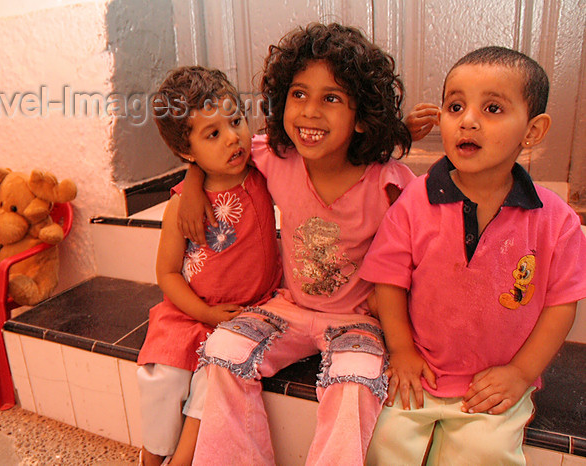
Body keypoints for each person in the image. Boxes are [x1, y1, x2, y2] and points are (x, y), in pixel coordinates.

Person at [178, 23, 416, 464]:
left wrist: (405, 340)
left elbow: (417, 254)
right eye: (299, 94)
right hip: (289, 305)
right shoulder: (278, 158)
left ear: (362, 116)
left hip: (356, 317)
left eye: (331, 98)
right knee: (221, 351)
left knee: (356, 380)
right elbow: (221, 152)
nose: (309, 111)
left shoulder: (388, 184)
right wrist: (193, 181)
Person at [360, 46, 586, 465]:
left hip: (494, 382)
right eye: (455, 105)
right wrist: (403, 350)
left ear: (532, 131)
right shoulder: (414, 201)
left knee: (486, 454)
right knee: (381, 444)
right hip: (420, 369)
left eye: (493, 108)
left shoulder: (557, 222)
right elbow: (389, 282)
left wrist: (519, 374)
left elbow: (561, 306)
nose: (467, 120)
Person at [136, 66, 282, 466]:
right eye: (212, 134)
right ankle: (152, 455)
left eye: (235, 120)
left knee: (212, 382)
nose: (233, 137)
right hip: (191, 311)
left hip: (247, 312)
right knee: (161, 377)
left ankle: (181, 460)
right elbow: (166, 273)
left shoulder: (261, 169)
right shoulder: (180, 207)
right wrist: (203, 313)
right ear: (187, 152)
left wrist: (196, 173)